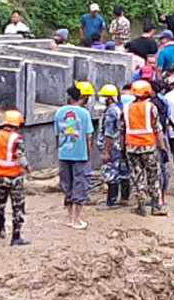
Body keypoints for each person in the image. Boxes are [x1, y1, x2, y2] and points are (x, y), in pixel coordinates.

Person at [123, 80, 167, 216]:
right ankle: (157, 207)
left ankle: (141, 205)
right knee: (153, 176)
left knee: (138, 177)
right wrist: (163, 147)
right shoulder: (150, 107)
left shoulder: (126, 108)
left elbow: (122, 129)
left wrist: (123, 147)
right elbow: (157, 129)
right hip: (149, 147)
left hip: (131, 147)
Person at [0, 109, 29, 246]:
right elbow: (20, 156)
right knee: (18, 207)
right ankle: (16, 237)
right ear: (16, 125)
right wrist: (27, 168)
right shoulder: (16, 138)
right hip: (14, 177)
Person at [54, 87, 94, 230]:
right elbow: (89, 136)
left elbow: (57, 135)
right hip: (81, 154)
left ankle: (69, 218)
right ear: (81, 98)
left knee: (67, 186)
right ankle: (77, 219)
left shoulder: (59, 112)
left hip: (64, 153)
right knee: (80, 185)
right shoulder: (84, 113)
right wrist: (89, 155)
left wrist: (59, 151)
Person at [99, 87, 131, 207]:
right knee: (123, 172)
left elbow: (109, 133)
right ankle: (124, 198)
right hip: (120, 146)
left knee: (111, 173)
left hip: (113, 147)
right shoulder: (119, 109)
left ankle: (111, 202)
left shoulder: (111, 111)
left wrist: (107, 151)